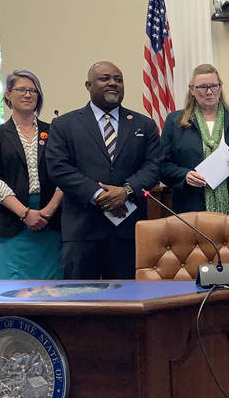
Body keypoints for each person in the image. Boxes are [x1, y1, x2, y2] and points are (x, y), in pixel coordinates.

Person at [45, 61, 161, 280]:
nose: (113, 84)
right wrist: (98, 195)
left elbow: (154, 165)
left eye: (118, 79)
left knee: (128, 302)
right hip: (82, 229)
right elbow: (58, 167)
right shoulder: (64, 124)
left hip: (128, 229)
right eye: (105, 78)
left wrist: (125, 191)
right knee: (79, 301)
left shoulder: (143, 124)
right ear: (88, 85)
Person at [0, 69, 64, 280]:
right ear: (8, 94)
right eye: (21, 89)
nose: (28, 95)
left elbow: (65, 172)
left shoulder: (54, 131)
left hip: (50, 220)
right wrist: (25, 214)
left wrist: (48, 211)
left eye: (33, 90)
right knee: (14, 288)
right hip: (13, 221)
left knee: (53, 287)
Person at [160, 64, 229, 215]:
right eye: (202, 87)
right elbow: (162, 165)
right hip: (191, 209)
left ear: (220, 87)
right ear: (192, 90)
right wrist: (184, 176)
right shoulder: (175, 122)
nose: (209, 92)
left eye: (214, 86)